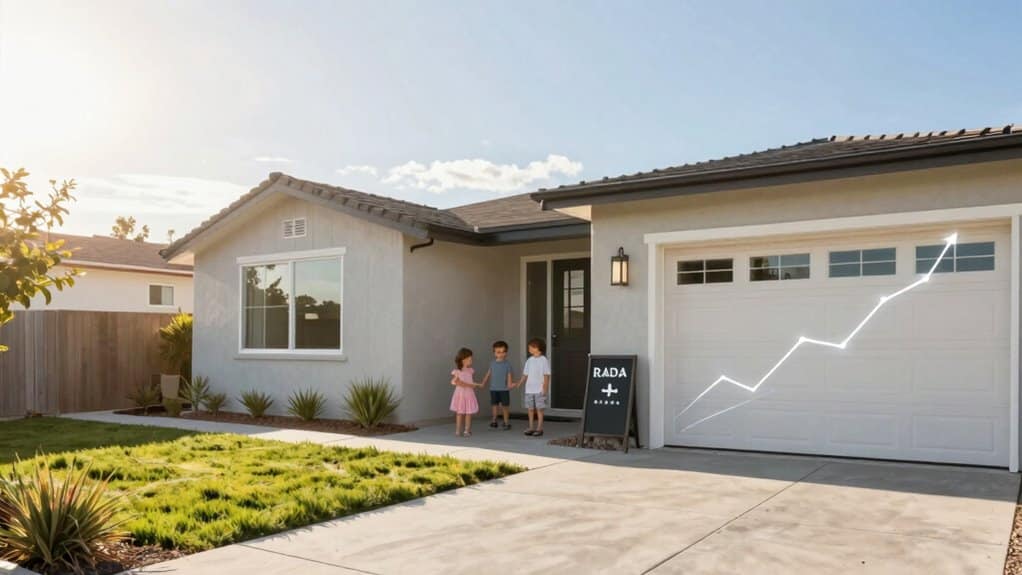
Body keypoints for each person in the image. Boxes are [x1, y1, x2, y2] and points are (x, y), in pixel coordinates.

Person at [512, 338, 550, 437]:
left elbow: (546, 375)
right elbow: (525, 374)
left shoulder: (543, 360)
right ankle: (531, 427)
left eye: (532, 347)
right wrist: (520, 383)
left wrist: (545, 387)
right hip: (529, 389)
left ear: (538, 348)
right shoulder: (529, 360)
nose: (529, 348)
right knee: (530, 409)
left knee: (539, 409)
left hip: (539, 389)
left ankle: (539, 428)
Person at [450, 347, 483, 436]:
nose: (471, 360)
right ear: (463, 359)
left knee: (468, 413)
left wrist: (477, 385)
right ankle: (458, 431)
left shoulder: (470, 371)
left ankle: (467, 430)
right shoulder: (457, 371)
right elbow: (456, 382)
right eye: (469, 358)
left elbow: (470, 382)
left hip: (468, 394)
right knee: (459, 413)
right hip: (460, 394)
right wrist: (470, 385)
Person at [482, 340, 514, 430]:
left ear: (506, 352)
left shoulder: (507, 364)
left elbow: (509, 375)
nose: (501, 354)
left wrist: (510, 384)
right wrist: (483, 382)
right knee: (494, 405)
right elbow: (488, 373)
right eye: (498, 352)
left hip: (504, 389)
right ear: (494, 353)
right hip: (493, 389)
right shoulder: (492, 363)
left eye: (503, 352)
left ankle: (506, 422)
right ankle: (494, 420)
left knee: (505, 406)